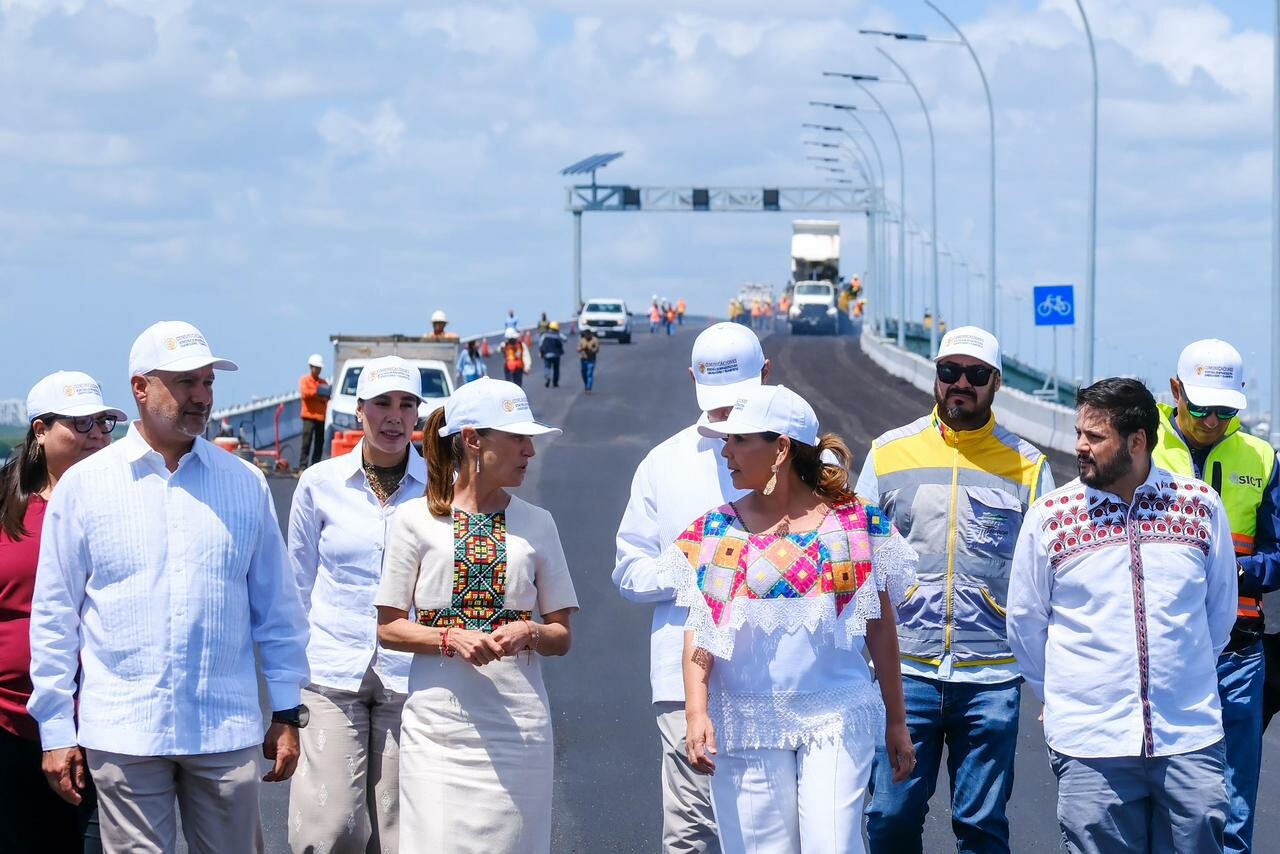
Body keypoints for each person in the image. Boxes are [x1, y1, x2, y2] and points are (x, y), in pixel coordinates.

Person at [27, 320, 311, 854]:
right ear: (140, 387)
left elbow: (277, 611)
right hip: (125, 730)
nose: (202, 397)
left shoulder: (243, 483)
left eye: (207, 383)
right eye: (186, 383)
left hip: (223, 728)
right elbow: (55, 616)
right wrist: (56, 728)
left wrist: (287, 711)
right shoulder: (87, 486)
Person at [663, 385, 917, 853]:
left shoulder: (855, 525)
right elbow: (701, 632)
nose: (726, 451)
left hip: (836, 714)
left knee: (833, 846)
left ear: (780, 448)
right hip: (745, 717)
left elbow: (880, 626)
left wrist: (896, 720)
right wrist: (696, 711)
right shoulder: (716, 533)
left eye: (739, 439)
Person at [1007, 377, 1236, 853]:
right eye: (1079, 434)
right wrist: (1063, 696)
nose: (1080, 447)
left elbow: (1219, 613)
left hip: (1188, 736)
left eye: (1095, 437)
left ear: (1137, 442)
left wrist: (1181, 678)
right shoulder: (1052, 515)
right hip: (1092, 743)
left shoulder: (1198, 507)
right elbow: (1026, 622)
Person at [858, 326, 1053, 854]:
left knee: (981, 826)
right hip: (906, 674)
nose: (960, 384)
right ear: (935, 377)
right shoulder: (888, 453)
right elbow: (855, 562)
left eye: (975, 375)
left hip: (991, 677)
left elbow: (1048, 579)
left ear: (997, 383)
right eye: (950, 372)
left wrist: (1050, 676)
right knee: (890, 818)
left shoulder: (1029, 467)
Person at [375, 377, 578, 853]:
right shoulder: (413, 521)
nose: (529, 450)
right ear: (473, 440)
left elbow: (562, 633)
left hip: (519, 729)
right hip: (438, 731)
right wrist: (450, 639)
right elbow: (388, 626)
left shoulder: (538, 523)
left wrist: (529, 631)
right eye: (517, 437)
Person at [614, 322, 771, 852]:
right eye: (717, 403)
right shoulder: (663, 464)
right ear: (692, 381)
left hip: (786, 675)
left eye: (739, 402)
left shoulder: (807, 460)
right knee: (693, 831)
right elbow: (628, 569)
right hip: (684, 678)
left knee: (767, 826)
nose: (726, 416)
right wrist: (700, 572)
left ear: (767, 375)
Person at [287, 355, 427, 854]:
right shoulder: (319, 484)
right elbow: (297, 584)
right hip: (330, 669)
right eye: (382, 404)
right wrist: (284, 686)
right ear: (358, 410)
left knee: (397, 824)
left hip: (411, 674)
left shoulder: (441, 490)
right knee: (332, 826)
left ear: (419, 415)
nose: (394, 417)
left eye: (407, 405)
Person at [1149, 339, 1280, 854]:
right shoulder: (1141, 444)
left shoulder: (1263, 458)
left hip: (1237, 654)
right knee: (1156, 796)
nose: (1213, 420)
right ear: (1176, 391)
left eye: (1226, 410)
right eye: (1202, 407)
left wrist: (1232, 571)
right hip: (1158, 651)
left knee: (1230, 807)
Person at [0, 372, 123, 853]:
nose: (96, 434)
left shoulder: (124, 504)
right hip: (9, 721)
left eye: (104, 422)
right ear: (39, 430)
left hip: (100, 721)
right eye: (81, 423)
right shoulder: (8, 504)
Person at [299, 353, 330, 470]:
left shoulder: (324, 383)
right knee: (306, 442)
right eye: (316, 368)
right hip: (309, 416)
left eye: (320, 368)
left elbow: (327, 397)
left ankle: (315, 467)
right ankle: (303, 466)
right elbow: (305, 393)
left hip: (320, 418)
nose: (318, 370)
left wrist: (320, 393)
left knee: (319, 443)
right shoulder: (305, 380)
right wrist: (318, 391)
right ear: (311, 367)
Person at [538, 321, 565, 389]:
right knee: (556, 369)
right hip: (556, 355)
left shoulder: (545, 334)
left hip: (547, 354)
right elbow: (565, 339)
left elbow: (540, 343)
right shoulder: (557, 334)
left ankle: (548, 377)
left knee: (547, 367)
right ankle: (555, 383)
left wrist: (541, 352)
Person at [578, 329, 599, 394]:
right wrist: (582, 348)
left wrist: (590, 349)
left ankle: (588, 388)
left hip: (591, 359)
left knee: (589, 374)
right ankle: (586, 384)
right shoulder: (582, 340)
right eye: (585, 335)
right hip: (583, 359)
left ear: (590, 334)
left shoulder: (595, 340)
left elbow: (597, 350)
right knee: (583, 374)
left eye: (588, 335)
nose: (587, 336)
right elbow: (578, 348)